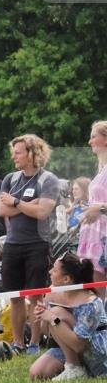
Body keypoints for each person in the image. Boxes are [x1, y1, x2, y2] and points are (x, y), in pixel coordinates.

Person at [0, 134, 60, 355]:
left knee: (35, 296)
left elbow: (42, 212)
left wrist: (15, 202)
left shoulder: (48, 180)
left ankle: (34, 342)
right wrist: (27, 204)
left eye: (19, 152)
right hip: (13, 244)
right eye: (13, 152)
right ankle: (18, 342)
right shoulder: (10, 179)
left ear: (33, 154)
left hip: (38, 244)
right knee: (14, 296)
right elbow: (1, 211)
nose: (14, 156)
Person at [30, 254, 107, 381]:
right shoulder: (52, 293)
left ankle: (75, 368)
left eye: (54, 270)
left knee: (57, 312)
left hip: (96, 354)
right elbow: (47, 332)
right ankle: (74, 366)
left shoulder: (91, 303)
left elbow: (79, 345)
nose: (50, 272)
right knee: (36, 374)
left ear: (66, 279)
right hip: (68, 347)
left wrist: (52, 318)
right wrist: (43, 315)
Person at [78, 121, 107, 291]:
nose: (89, 142)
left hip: (103, 236)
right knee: (95, 292)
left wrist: (100, 208)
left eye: (93, 137)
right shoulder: (101, 170)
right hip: (94, 235)